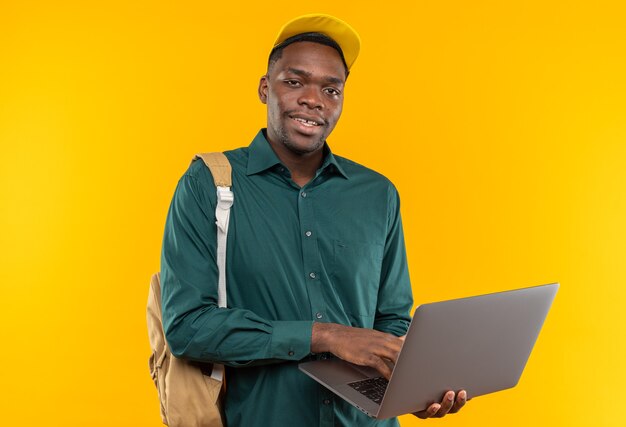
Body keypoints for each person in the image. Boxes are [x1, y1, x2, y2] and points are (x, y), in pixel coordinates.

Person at [160, 13, 467, 426]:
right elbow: (187, 328)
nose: (313, 99)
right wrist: (326, 336)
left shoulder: (378, 194)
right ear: (265, 89)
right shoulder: (207, 185)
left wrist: (409, 386)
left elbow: (391, 323)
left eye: (331, 89)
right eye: (294, 81)